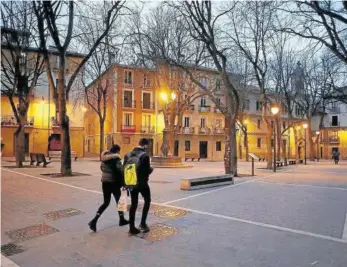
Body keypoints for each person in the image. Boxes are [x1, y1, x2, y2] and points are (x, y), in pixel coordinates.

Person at [88, 144, 129, 232]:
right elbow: (120, 171)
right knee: (120, 201)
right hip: (113, 182)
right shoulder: (116, 159)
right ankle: (122, 220)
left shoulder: (104, 157)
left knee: (106, 202)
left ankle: (94, 221)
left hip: (105, 182)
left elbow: (102, 168)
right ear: (117, 151)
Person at [124, 138, 153, 235]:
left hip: (131, 182)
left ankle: (132, 227)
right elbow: (146, 170)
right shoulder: (145, 156)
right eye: (147, 146)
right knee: (147, 201)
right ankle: (143, 224)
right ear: (145, 145)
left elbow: (124, 169)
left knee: (133, 204)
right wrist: (151, 169)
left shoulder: (127, 154)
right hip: (142, 183)